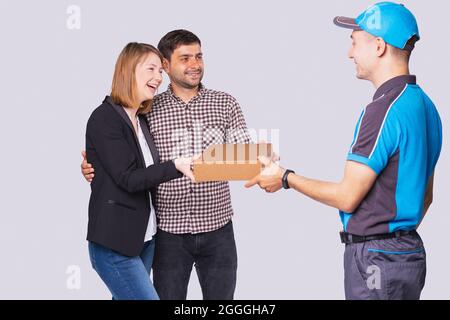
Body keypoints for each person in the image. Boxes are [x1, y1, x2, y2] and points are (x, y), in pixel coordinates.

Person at [246, 2, 442, 300]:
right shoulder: (427, 107)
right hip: (408, 255)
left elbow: (347, 197)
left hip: (375, 258)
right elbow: (425, 196)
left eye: (354, 42)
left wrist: (285, 177)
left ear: (378, 46)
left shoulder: (383, 110)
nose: (349, 53)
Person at [82, 30, 252, 300]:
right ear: (167, 64)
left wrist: (260, 160)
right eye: (185, 58)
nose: (195, 64)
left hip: (218, 228)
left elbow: (244, 155)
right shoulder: (147, 108)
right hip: (168, 233)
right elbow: (128, 164)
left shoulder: (225, 102)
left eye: (198, 56)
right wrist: (95, 165)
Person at [85, 42, 193, 300]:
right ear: (129, 70)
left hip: (144, 240)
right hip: (114, 246)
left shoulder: (141, 120)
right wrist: (176, 165)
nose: (158, 77)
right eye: (151, 69)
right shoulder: (104, 118)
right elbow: (129, 178)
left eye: (160, 72)